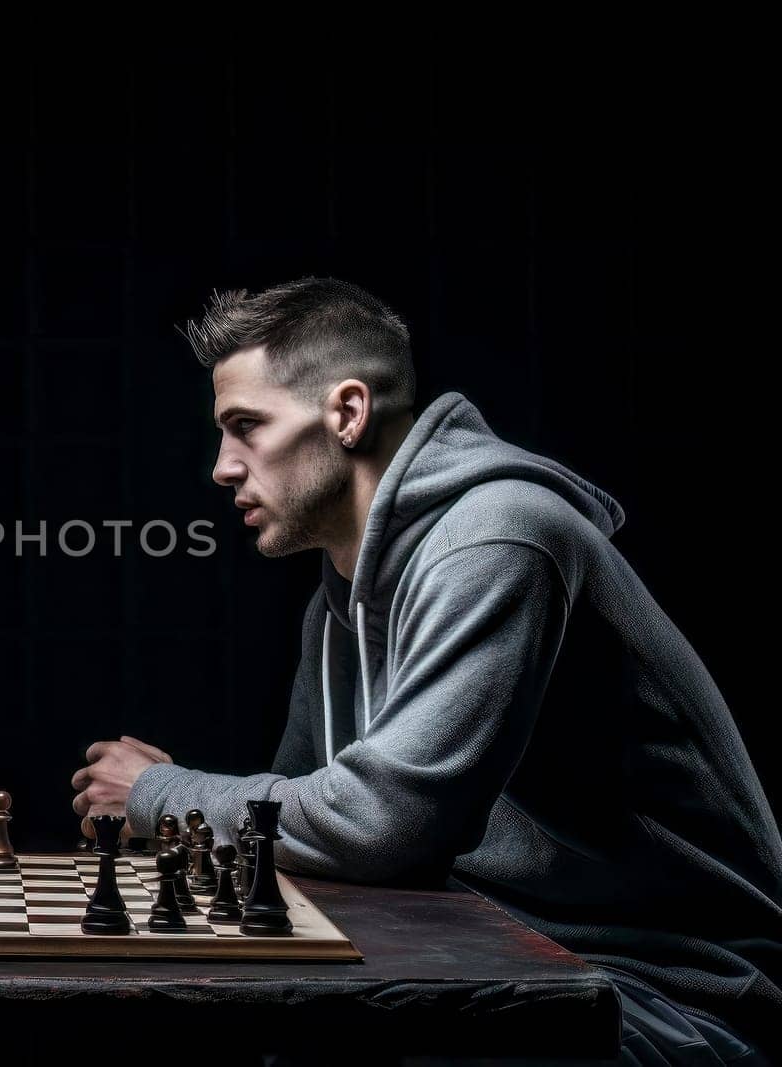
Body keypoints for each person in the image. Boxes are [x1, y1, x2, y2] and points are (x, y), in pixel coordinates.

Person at [72, 278, 780, 1064]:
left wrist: (159, 794)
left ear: (347, 413)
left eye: (247, 427)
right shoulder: (336, 605)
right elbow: (306, 844)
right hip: (482, 961)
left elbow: (381, 826)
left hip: (656, 992)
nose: (221, 468)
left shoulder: (500, 537)